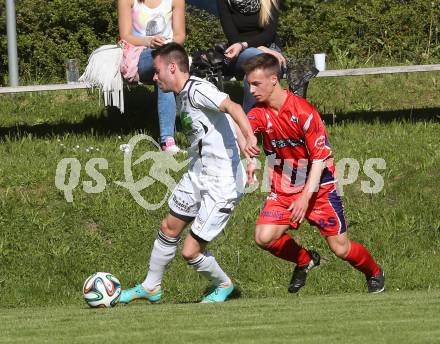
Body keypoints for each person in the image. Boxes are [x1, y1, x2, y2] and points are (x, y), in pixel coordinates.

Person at [119, 43, 260, 304]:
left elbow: (235, 108)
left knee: (190, 251)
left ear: (172, 67)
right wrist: (245, 151)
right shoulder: (183, 94)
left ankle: (224, 284)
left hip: (222, 181)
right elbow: (225, 122)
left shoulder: (198, 89)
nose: (154, 76)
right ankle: (151, 287)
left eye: (158, 71)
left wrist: (250, 140)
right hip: (197, 173)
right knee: (169, 227)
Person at [242, 53, 385, 294]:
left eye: (256, 84)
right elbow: (244, 130)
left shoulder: (304, 111)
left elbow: (320, 158)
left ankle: (374, 272)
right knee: (263, 236)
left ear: (274, 80)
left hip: (320, 186)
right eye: (249, 84)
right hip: (285, 186)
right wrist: (249, 155)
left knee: (340, 248)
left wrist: (305, 197)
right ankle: (305, 260)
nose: (251, 89)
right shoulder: (259, 112)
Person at [118, 0, 185, 152]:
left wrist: (169, 44)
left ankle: (168, 140)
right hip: (139, 55)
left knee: (166, 68)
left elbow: (180, 35)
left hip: (168, 54)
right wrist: (149, 41)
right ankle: (168, 140)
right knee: (166, 66)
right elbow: (125, 35)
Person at [217, 0, 286, 113]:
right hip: (240, 53)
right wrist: (259, 49)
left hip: (269, 49)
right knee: (259, 57)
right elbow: (233, 38)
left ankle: (256, 120)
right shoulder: (225, 2)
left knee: (257, 68)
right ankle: (254, 121)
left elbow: (269, 34)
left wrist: (257, 48)